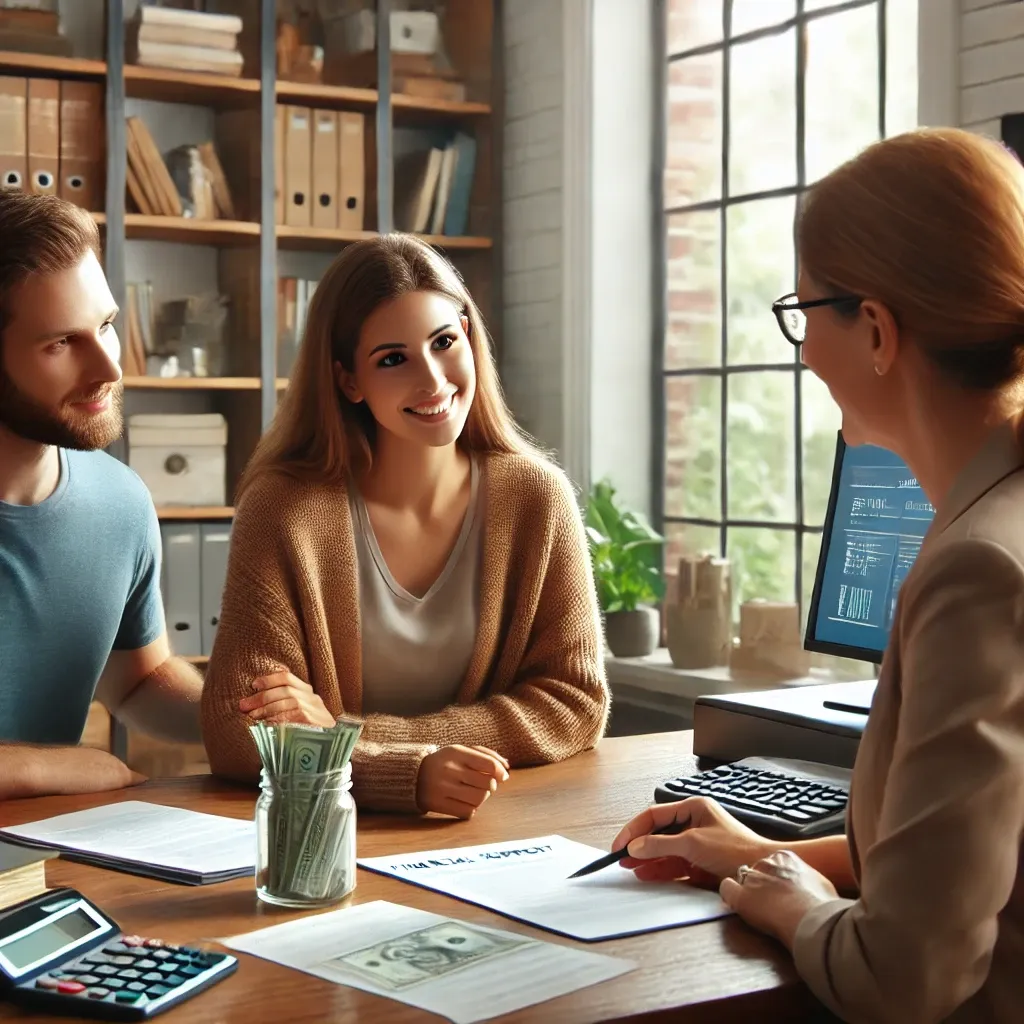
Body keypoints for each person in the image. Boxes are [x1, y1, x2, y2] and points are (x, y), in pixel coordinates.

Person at [614, 128, 1024, 1023]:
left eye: (805, 314)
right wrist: (759, 851)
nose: (801, 353)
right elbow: (987, 858)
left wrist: (795, 904)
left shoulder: (980, 569)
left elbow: (908, 975)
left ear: (876, 329)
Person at [201, 233, 608, 818]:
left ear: (468, 337)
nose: (433, 381)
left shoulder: (536, 498)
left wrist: (341, 732)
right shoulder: (285, 509)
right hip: (323, 838)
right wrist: (395, 773)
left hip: (495, 823)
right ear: (348, 382)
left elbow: (574, 701)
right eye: (393, 359)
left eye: (444, 342)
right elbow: (235, 732)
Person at [0, 191, 204, 800]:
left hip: (44, 873)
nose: (110, 368)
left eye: (107, 327)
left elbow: (139, 681)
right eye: (62, 343)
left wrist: (246, 717)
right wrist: (45, 768)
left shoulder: (121, 504)